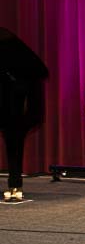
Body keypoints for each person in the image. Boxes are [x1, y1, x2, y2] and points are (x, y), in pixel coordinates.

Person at [0, 27, 48, 202]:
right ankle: (14, 184)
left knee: (13, 138)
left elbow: (38, 71)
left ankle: (15, 183)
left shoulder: (8, 45)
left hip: (12, 100)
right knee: (13, 139)